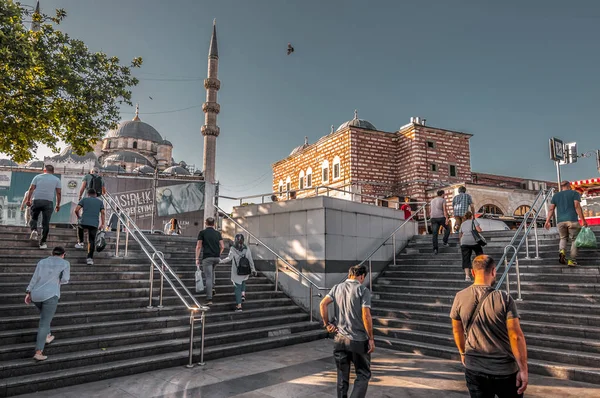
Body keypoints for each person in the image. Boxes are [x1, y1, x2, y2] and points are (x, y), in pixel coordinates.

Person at [450, 255, 528, 398]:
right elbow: (515, 335)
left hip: (474, 368)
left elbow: (457, 329)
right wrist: (523, 369)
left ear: (473, 273)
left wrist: (463, 353)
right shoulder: (504, 298)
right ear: (493, 271)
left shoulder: (460, 297)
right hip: (504, 370)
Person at [319, 264, 374, 398]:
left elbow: (323, 304)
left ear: (350, 275)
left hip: (339, 340)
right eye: (363, 278)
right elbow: (366, 315)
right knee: (363, 374)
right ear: (361, 276)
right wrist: (371, 338)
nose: (363, 280)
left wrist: (327, 324)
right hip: (358, 340)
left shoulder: (337, 287)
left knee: (342, 376)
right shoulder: (362, 290)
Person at [25, 246, 70, 361]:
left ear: (52, 253)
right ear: (63, 254)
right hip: (51, 295)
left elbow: (35, 278)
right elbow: (65, 279)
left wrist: (28, 292)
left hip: (36, 295)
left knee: (45, 316)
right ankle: (39, 351)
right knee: (44, 323)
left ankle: (48, 335)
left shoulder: (42, 262)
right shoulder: (65, 263)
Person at [544, 181, 588, 266]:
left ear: (561, 187)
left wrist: (547, 221)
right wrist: (583, 220)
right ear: (569, 185)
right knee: (574, 240)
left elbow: (551, 209)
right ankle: (571, 260)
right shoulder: (574, 193)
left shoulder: (556, 195)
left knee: (563, 238)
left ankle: (562, 251)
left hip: (560, 221)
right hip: (572, 220)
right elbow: (577, 206)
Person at [24, 165, 62, 249]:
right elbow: (58, 193)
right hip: (48, 202)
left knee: (34, 217)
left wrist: (28, 200)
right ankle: (43, 242)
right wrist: (58, 205)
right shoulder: (56, 180)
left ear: (44, 170)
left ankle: (34, 230)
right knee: (45, 222)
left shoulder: (37, 177)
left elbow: (31, 189)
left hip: (37, 200)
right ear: (53, 171)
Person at [219, 234, 257, 312]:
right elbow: (250, 259)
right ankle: (243, 295)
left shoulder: (233, 248)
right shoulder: (246, 248)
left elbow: (229, 258)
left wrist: (221, 261)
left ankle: (239, 306)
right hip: (246, 270)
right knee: (243, 281)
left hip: (237, 272)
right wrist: (253, 269)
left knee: (237, 288)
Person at [196, 217, 224, 305]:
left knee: (208, 277)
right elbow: (222, 246)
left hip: (207, 257)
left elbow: (199, 246)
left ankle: (209, 298)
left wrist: (197, 258)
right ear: (214, 224)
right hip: (216, 257)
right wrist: (219, 253)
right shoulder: (218, 233)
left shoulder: (202, 233)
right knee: (212, 272)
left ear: (205, 223)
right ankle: (212, 288)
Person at [74, 189, 105, 265]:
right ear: (95, 194)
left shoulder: (84, 199)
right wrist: (103, 223)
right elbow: (103, 213)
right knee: (91, 241)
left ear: (88, 194)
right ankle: (90, 258)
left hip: (84, 221)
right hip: (94, 224)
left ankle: (80, 242)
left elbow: (76, 210)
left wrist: (79, 217)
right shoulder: (100, 202)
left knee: (79, 226)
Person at [459, 212, 484, 282]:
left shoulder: (462, 224)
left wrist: (460, 242)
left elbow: (460, 234)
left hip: (464, 242)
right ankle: (480, 272)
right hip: (474, 241)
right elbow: (479, 230)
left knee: (466, 258)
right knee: (479, 255)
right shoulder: (474, 221)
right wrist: (480, 230)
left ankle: (467, 276)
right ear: (471, 216)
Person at [430, 190, 451, 255]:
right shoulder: (442, 200)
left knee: (435, 234)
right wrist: (447, 218)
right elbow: (444, 210)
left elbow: (430, 210)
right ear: (442, 194)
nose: (444, 195)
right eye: (444, 194)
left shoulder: (432, 200)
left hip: (433, 218)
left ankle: (435, 249)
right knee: (448, 228)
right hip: (441, 217)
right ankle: (445, 241)